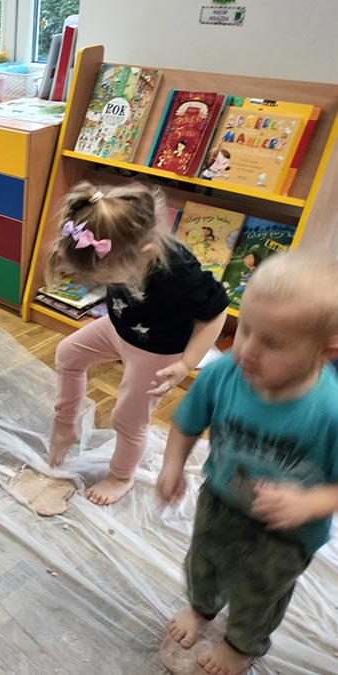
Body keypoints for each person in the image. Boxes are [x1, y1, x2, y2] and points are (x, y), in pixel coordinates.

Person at [157, 251, 338, 675]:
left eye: (272, 343)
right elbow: (186, 423)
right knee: (202, 562)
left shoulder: (330, 412)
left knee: (260, 592)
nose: (249, 351)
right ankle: (202, 607)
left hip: (286, 533)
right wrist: (171, 465)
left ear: (325, 352)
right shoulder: (223, 375)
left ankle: (241, 645)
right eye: (246, 329)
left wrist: (309, 504)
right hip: (220, 500)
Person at [45, 182, 228, 505]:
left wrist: (186, 364)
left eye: (106, 278)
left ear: (143, 253)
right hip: (119, 328)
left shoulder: (180, 272)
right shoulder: (118, 240)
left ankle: (121, 476)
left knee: (129, 418)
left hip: (157, 352)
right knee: (68, 353)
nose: (101, 283)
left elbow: (216, 313)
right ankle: (65, 426)